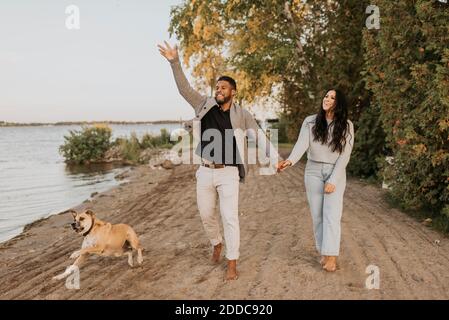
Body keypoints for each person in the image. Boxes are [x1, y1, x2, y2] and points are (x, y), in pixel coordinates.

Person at [158, 41, 278, 280]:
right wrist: (174, 62)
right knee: (205, 214)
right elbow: (184, 89)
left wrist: (276, 159)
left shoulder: (242, 114)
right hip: (205, 171)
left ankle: (232, 261)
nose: (219, 90)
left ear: (233, 92)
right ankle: (216, 242)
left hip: (229, 172)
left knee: (230, 216)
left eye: (223, 87)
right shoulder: (204, 105)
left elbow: (258, 136)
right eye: (217, 87)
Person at [277, 89, 354, 272]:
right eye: (326, 96)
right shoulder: (310, 121)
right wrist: (289, 161)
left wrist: (333, 180)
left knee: (332, 215)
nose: (327, 99)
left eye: (332, 97)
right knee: (317, 215)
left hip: (335, 171)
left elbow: (345, 156)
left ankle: (332, 257)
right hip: (313, 171)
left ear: (339, 103)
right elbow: (301, 145)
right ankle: (324, 252)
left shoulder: (347, 125)